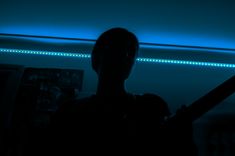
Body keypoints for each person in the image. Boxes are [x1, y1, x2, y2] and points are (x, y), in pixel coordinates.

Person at [45, 27, 197, 156]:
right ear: (96, 58)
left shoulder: (152, 106)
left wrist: (183, 138)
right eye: (117, 48)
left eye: (131, 53)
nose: (125, 56)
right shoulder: (69, 112)